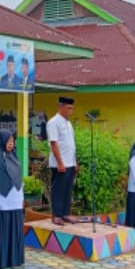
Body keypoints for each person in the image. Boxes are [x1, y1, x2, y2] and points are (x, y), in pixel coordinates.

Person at [0, 129, 25, 269]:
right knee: (1, 231)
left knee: (14, 231)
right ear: (1, 140)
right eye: (8, 141)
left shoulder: (14, 157)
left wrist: (21, 197)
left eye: (12, 141)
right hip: (0, 200)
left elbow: (19, 179)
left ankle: (14, 259)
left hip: (15, 200)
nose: (11, 144)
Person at [46, 97, 78, 226]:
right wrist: (60, 162)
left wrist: (75, 161)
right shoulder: (54, 122)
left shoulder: (68, 123)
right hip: (59, 164)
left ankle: (65, 214)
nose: (70, 111)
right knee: (58, 190)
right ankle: (56, 215)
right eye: (68, 108)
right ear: (60, 107)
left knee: (67, 190)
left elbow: (71, 144)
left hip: (70, 162)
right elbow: (54, 143)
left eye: (72, 109)